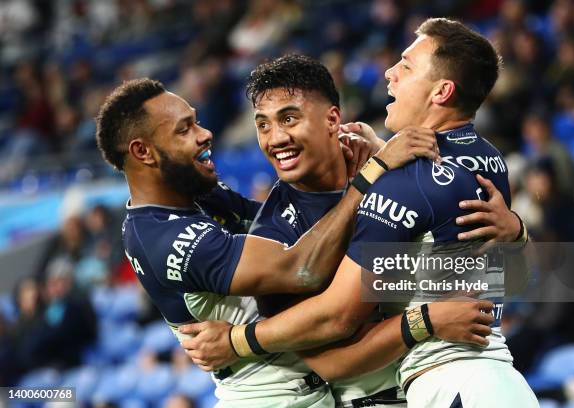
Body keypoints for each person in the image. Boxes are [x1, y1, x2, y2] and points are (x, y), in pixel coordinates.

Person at [178, 18, 538, 408]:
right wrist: (518, 232)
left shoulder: (400, 183)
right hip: (471, 379)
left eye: (406, 65)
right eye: (262, 124)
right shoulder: (488, 159)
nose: (389, 72)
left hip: (452, 385)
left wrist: (236, 340)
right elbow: (516, 274)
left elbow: (337, 317)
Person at [95, 78, 497, 407]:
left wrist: (362, 171)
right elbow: (300, 268)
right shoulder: (163, 237)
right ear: (142, 152)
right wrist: (370, 176)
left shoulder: (199, 197)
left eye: (196, 121)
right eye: (184, 129)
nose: (205, 134)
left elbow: (309, 233)